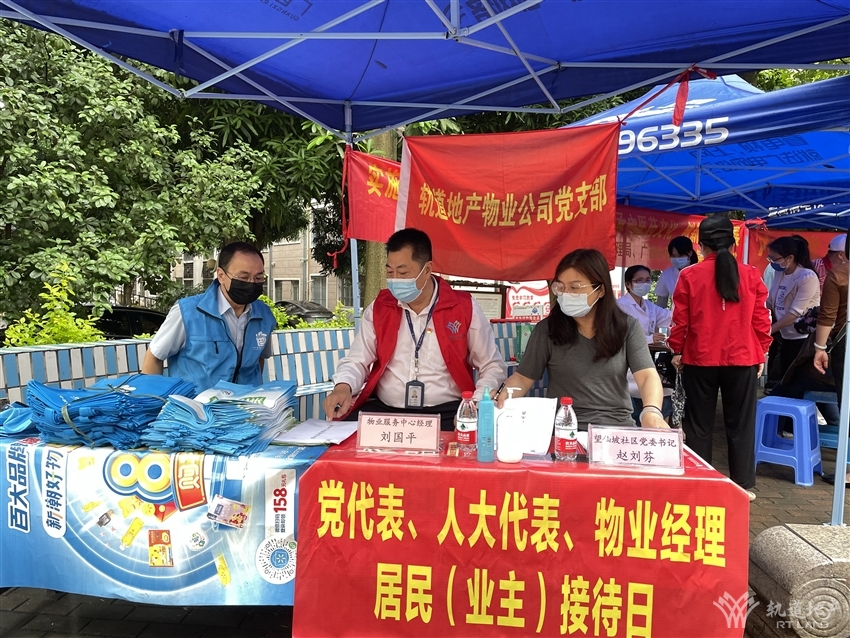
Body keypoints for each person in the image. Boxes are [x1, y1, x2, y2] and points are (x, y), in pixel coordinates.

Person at [322, 228, 507, 431]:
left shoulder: (462, 307)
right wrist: (343, 386)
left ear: (427, 270)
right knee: (341, 436)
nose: (395, 280)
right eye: (390, 272)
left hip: (447, 412)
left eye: (403, 273)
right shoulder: (380, 308)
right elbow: (358, 360)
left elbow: (492, 365)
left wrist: (476, 405)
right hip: (387, 411)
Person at [496, 249, 668, 430]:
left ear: (600, 290)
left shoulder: (627, 327)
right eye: (561, 287)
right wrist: (501, 395)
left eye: (575, 287)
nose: (566, 294)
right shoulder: (547, 329)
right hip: (563, 428)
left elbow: (647, 376)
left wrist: (651, 411)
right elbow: (523, 378)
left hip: (614, 429)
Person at [668, 217, 772, 499]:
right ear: (733, 244)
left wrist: (677, 350)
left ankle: (701, 484)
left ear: (700, 246)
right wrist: (762, 350)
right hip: (743, 357)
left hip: (700, 357)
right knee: (741, 425)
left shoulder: (689, 275)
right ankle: (742, 486)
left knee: (698, 425)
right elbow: (761, 319)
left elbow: (680, 320)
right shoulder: (751, 274)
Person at [142, 242, 276, 392]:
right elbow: (154, 356)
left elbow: (259, 359)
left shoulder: (265, 315)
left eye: (258, 278)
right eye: (243, 277)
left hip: (244, 405)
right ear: (221, 275)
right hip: (195, 405)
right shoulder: (188, 312)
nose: (251, 283)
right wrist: (151, 401)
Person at [813, 229, 849, 486]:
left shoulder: (839, 274)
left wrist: (819, 348)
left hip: (846, 345)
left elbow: (828, 317)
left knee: (848, 405)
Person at [617, 265, 673, 422]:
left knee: (662, 394)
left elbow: (670, 317)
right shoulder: (620, 306)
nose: (645, 284)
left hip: (647, 360)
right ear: (628, 284)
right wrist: (649, 339)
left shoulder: (649, 306)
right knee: (635, 404)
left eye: (648, 280)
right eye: (639, 280)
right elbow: (620, 337)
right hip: (627, 364)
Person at [766, 236, 820, 383]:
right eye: (770, 259)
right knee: (785, 377)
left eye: (774, 259)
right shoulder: (780, 273)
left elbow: (795, 313)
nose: (772, 263)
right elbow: (770, 301)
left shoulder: (807, 276)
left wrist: (769, 330)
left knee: (798, 380)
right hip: (786, 335)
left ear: (789, 258)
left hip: (803, 338)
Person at [655, 236, 698, 309]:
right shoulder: (667, 274)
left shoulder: (700, 272)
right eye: (673, 256)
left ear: (690, 253)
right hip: (677, 315)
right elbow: (661, 304)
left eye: (680, 255)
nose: (677, 259)